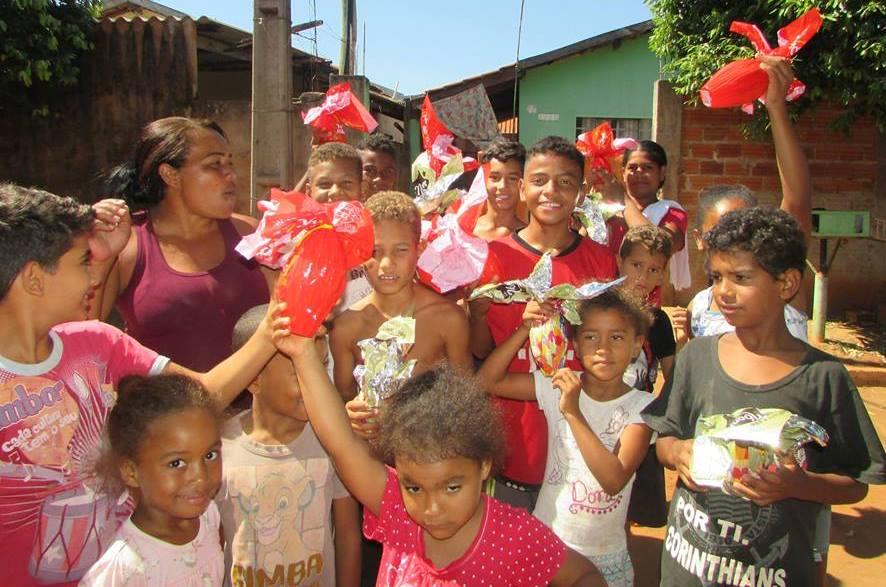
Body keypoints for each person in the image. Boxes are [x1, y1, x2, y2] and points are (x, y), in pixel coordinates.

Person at [0, 184, 278, 586]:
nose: (94, 276)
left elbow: (200, 397)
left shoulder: (98, 342)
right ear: (34, 280)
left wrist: (272, 330)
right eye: (83, 262)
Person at [642, 207, 886, 587]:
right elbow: (665, 437)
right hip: (687, 570)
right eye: (716, 277)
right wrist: (677, 453)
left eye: (741, 277)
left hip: (774, 573)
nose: (723, 291)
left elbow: (855, 483)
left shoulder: (822, 377)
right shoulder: (696, 356)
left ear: (786, 284)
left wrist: (799, 485)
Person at [273, 319, 605, 585]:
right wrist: (303, 353)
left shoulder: (515, 535)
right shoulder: (397, 511)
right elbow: (342, 444)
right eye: (413, 487)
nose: (432, 509)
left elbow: (583, 576)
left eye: (452, 487)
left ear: (484, 466)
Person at [468, 136, 619, 511]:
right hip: (513, 442)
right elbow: (480, 350)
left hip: (579, 441)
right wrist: (478, 313)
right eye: (539, 180)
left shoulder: (602, 262)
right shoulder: (494, 258)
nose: (551, 191)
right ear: (522, 187)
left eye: (565, 182)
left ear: (581, 192)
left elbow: (609, 356)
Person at [478, 290, 655, 586]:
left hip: (604, 554)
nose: (602, 349)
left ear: (637, 344)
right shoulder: (559, 384)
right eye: (590, 337)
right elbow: (487, 381)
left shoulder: (642, 407)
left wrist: (573, 413)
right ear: (574, 343)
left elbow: (613, 480)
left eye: (616, 338)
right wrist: (525, 328)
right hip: (548, 541)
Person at [89, 116, 271, 372]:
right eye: (214, 164)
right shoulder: (125, 245)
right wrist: (101, 257)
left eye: (229, 162)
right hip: (167, 409)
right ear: (170, 175)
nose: (230, 174)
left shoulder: (250, 233)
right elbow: (81, 339)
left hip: (255, 411)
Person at [671, 56, 813, 345]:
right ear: (699, 239)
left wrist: (775, 107)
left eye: (745, 231)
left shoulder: (780, 287)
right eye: (721, 231)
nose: (733, 240)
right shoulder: (698, 307)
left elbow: (797, 200)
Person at [218, 305, 361, 587]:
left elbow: (347, 536)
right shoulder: (219, 447)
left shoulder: (333, 440)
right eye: (300, 371)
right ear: (254, 380)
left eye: (321, 367)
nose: (314, 381)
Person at [80, 374, 225, 586]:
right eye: (177, 463)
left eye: (210, 455)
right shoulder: (124, 569)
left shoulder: (208, 516)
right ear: (131, 472)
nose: (201, 477)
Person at [330, 191, 473, 401]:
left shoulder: (448, 319)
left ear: (420, 250)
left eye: (401, 250)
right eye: (375, 252)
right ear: (360, 254)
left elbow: (465, 396)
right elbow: (343, 398)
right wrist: (352, 416)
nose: (387, 264)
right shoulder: (345, 327)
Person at [616, 226, 676, 392]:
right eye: (636, 265)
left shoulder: (658, 321)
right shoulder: (600, 311)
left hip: (640, 413)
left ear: (661, 276)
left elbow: (673, 378)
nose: (643, 276)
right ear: (619, 262)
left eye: (653, 270)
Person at [472, 138, 527, 242]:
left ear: (522, 184)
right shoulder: (466, 230)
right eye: (494, 177)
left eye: (512, 179)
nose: (502, 186)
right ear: (483, 179)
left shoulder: (529, 238)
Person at [358, 133, 399, 200]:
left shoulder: (404, 209)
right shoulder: (343, 209)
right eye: (370, 170)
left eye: (387, 172)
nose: (379, 179)